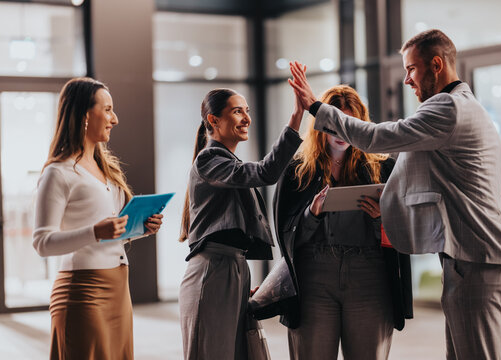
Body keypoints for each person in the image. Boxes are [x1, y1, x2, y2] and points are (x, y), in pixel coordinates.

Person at [288, 29, 501, 360]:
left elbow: (377, 137)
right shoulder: (467, 107)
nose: (407, 79)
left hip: (476, 259)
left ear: (436, 64)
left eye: (411, 68)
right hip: (474, 258)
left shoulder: (448, 108)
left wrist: (315, 106)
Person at [273, 85, 413, 360]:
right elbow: (286, 237)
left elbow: (403, 232)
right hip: (314, 275)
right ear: (321, 124)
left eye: (348, 124)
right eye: (334, 123)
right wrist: (311, 215)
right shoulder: (297, 169)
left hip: (369, 275)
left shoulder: (384, 167)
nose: (340, 133)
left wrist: (379, 218)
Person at [32, 77, 163, 360]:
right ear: (83, 115)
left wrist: (141, 228)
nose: (114, 119)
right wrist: (94, 231)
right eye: (107, 109)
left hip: (118, 291)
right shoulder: (58, 172)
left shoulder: (106, 170)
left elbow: (110, 234)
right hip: (82, 294)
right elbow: (42, 242)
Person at [178, 87, 304, 360]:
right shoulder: (210, 158)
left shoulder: (226, 162)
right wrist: (296, 116)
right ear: (213, 120)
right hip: (213, 270)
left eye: (247, 111)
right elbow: (266, 172)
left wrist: (238, 281)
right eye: (237, 111)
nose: (247, 118)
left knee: (241, 353)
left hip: (232, 268)